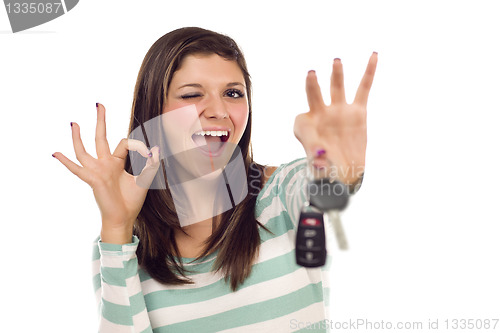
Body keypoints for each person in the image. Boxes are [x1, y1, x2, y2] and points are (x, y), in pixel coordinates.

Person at [53, 27, 377, 332]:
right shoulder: (121, 245)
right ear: (155, 113)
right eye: (192, 94)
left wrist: (341, 167)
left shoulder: (278, 195)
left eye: (233, 93)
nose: (219, 110)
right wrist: (116, 227)